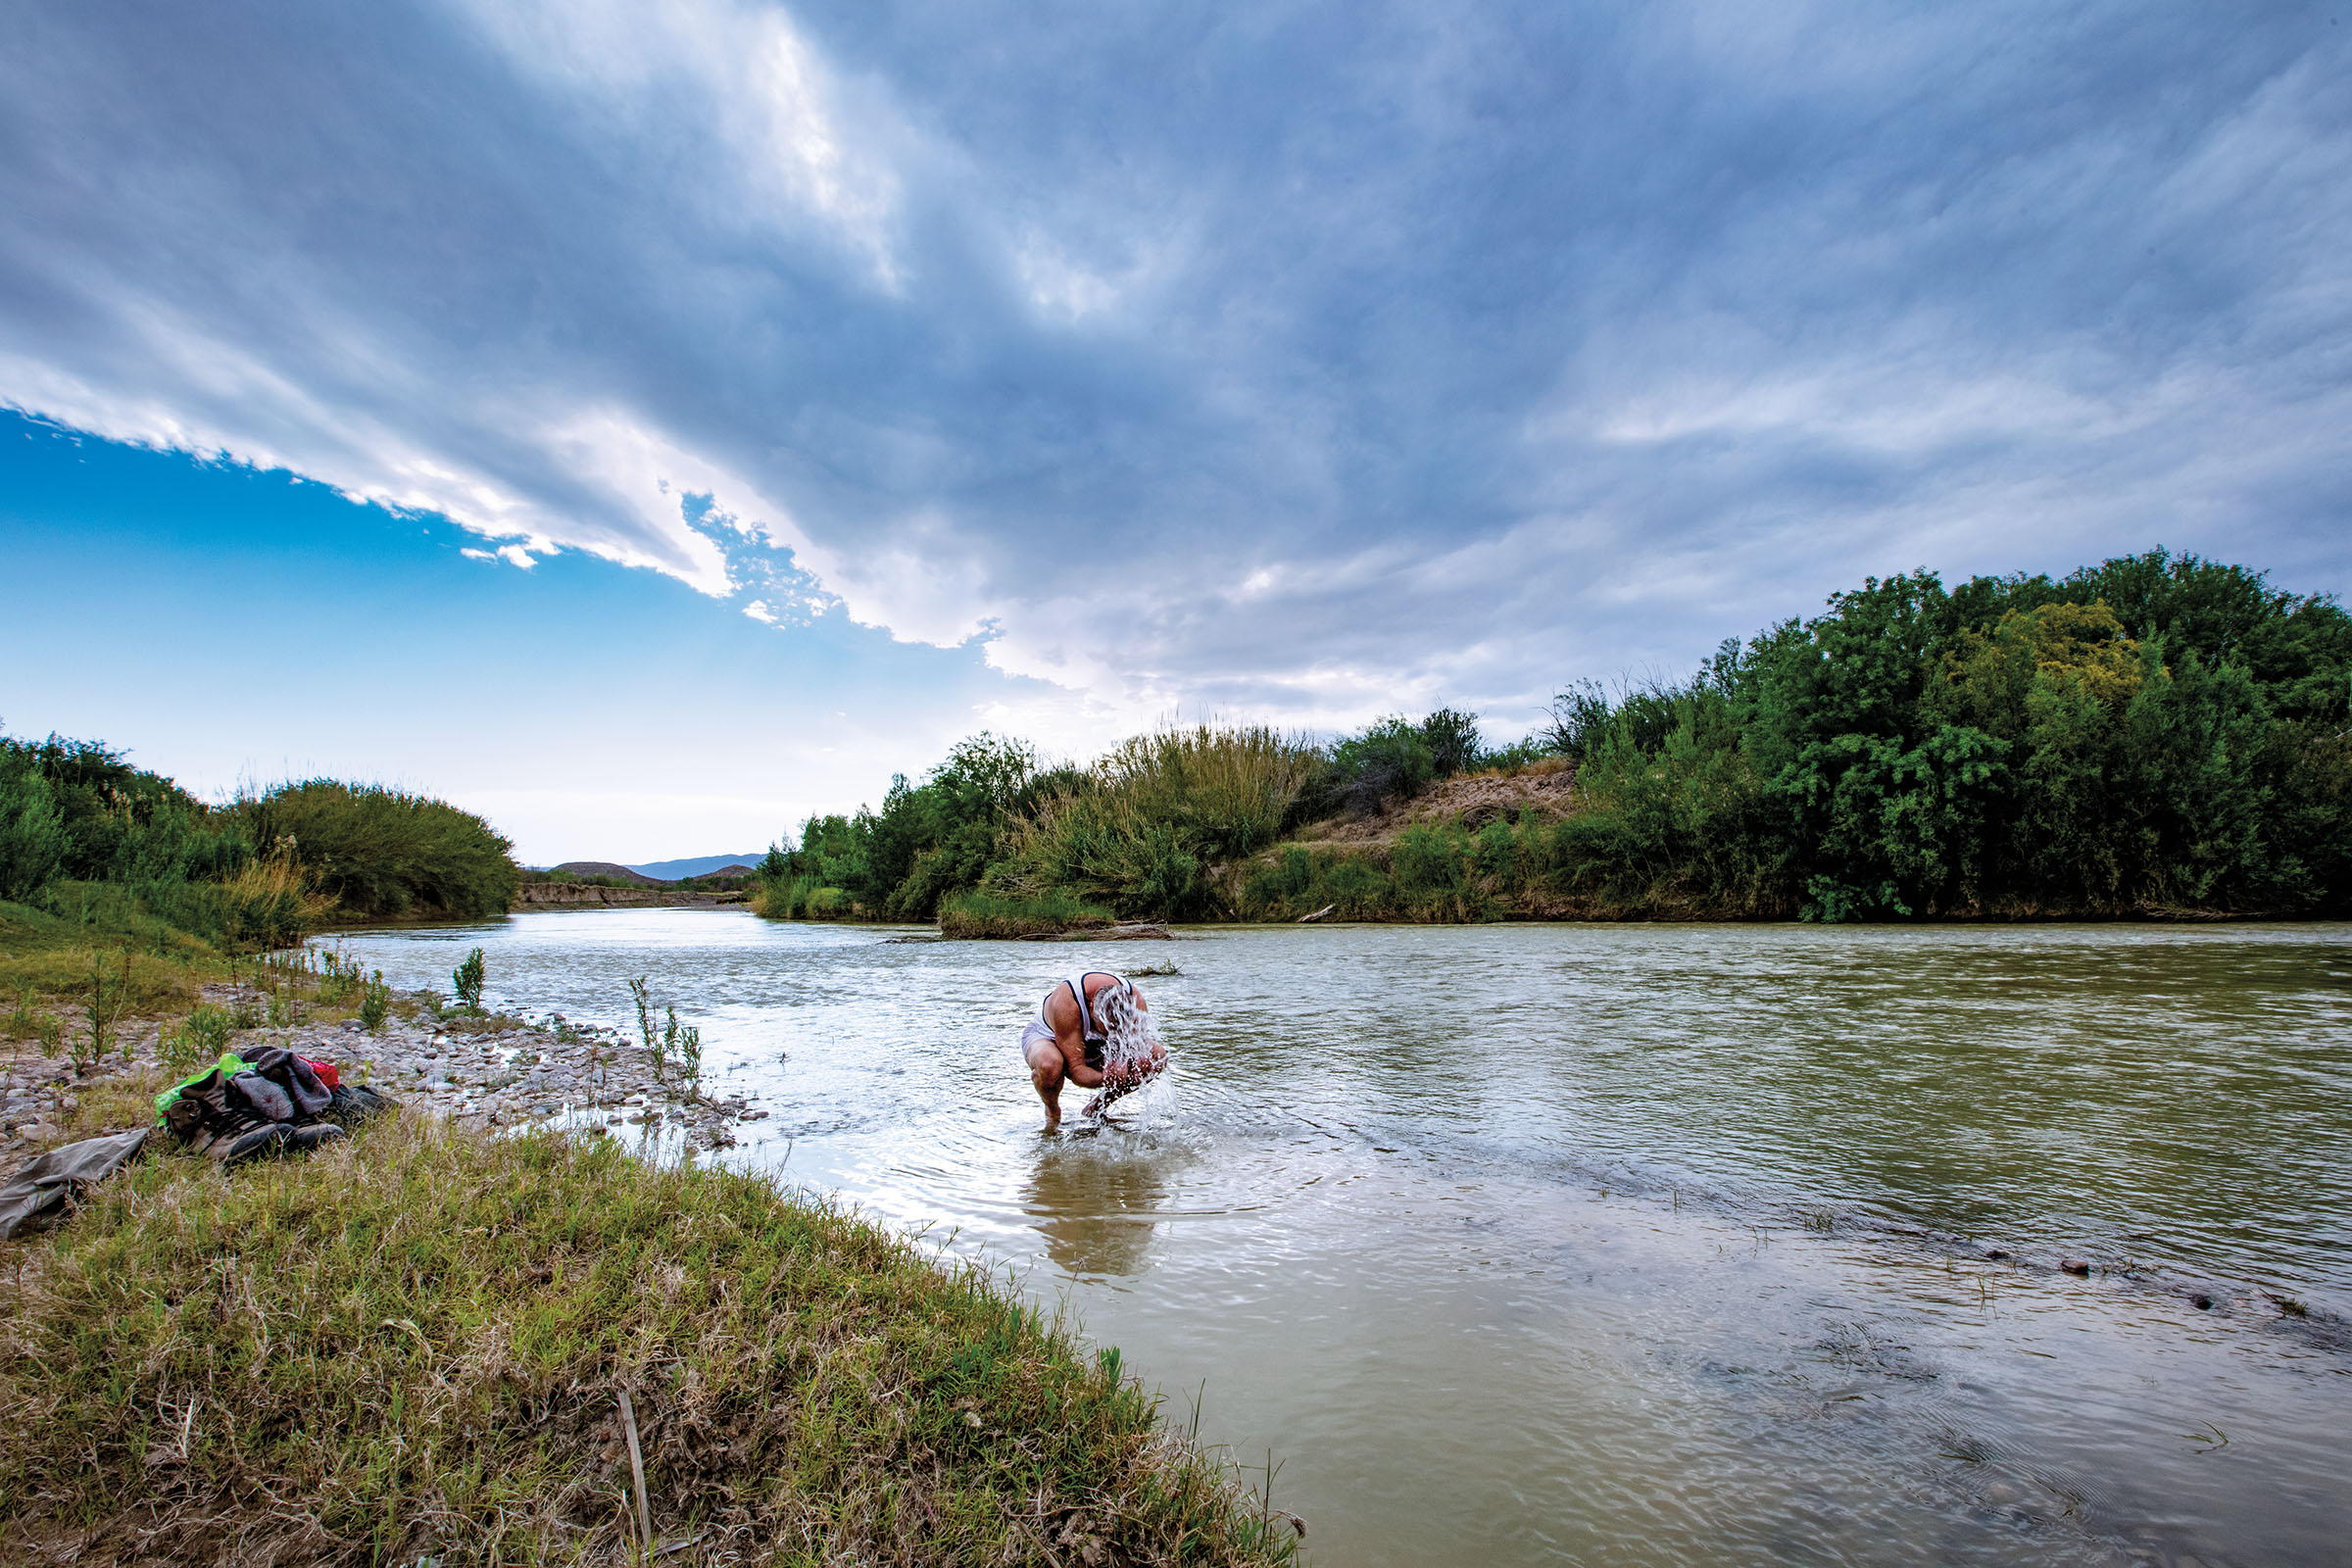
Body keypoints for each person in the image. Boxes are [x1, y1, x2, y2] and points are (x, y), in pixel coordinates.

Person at [1022, 969, 1167, 1128]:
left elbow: (1136, 1055)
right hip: (1047, 1038)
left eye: (1116, 1030)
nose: (1110, 1034)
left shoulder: (1136, 1003)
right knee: (1050, 1065)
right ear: (1091, 1005)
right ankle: (1052, 1111)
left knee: (1157, 1056)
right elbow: (1076, 1071)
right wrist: (1107, 1078)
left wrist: (1120, 1071)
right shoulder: (1066, 1002)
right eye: (1105, 1028)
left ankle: (1097, 1107)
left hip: (1094, 1045)